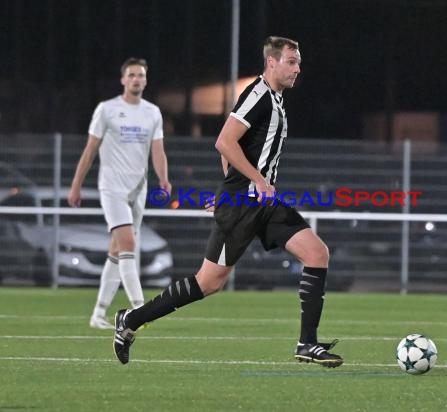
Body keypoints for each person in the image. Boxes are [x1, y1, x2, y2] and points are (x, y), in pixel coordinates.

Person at [112, 36, 343, 368]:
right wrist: (247, 184)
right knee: (208, 283)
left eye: (298, 61)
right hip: (242, 205)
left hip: (263, 202)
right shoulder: (258, 95)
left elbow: (233, 148)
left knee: (317, 252)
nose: (297, 68)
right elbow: (224, 141)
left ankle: (307, 344)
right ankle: (131, 320)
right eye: (291, 61)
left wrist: (240, 183)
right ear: (272, 63)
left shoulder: (275, 100)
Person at [68, 57, 171, 330]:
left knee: (117, 250)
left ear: (146, 80)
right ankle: (140, 309)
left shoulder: (152, 112)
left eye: (141, 75)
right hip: (112, 188)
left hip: (138, 190)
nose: (136, 79)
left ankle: (98, 313)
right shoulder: (107, 110)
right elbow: (90, 150)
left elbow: (157, 150)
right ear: (123, 79)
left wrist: (163, 178)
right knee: (128, 244)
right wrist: (76, 184)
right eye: (132, 75)